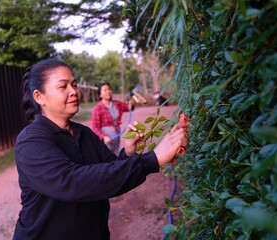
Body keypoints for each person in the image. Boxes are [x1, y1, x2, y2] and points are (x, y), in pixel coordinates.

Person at [13, 58, 189, 240]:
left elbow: (109, 169)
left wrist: (128, 152)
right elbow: (73, 182)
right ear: (39, 96)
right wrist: (152, 159)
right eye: (63, 87)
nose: (73, 91)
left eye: (74, 85)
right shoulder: (31, 142)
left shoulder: (84, 133)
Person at [92, 82, 134, 155]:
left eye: (109, 89)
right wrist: (104, 137)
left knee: (115, 153)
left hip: (116, 133)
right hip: (106, 136)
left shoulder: (117, 104)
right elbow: (95, 126)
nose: (108, 91)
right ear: (100, 94)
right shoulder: (97, 108)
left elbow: (129, 108)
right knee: (106, 155)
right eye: (105, 90)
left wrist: (131, 104)